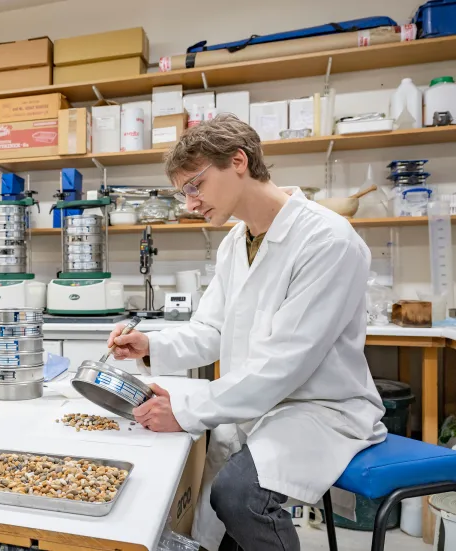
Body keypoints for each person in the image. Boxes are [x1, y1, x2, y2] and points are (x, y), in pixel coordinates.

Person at [107, 114, 386, 551]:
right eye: (184, 193)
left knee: (238, 496)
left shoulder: (328, 240)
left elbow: (283, 366)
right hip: (256, 404)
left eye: (195, 186)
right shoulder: (236, 242)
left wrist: (185, 407)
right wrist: (150, 345)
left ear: (238, 160)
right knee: (216, 508)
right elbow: (212, 329)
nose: (190, 203)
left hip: (319, 409)